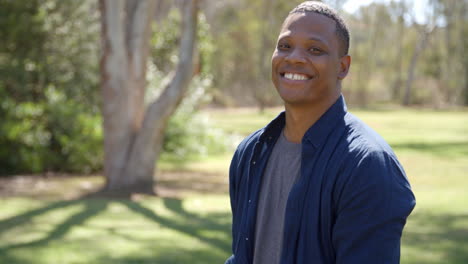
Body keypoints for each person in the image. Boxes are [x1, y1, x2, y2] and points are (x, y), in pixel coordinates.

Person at [224, 1, 416, 264]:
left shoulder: (367, 166)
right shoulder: (250, 153)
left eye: (315, 49)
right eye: (285, 46)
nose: (294, 57)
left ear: (343, 67)